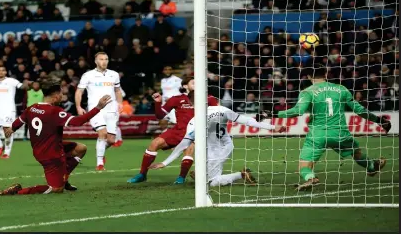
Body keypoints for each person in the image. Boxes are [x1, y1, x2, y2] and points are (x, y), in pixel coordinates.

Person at [259, 66, 391, 191]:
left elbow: (298, 111)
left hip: (318, 135)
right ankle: (372, 166)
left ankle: (311, 178)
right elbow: (359, 110)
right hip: (340, 133)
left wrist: (275, 113)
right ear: (326, 74)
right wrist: (379, 120)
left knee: (303, 167)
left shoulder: (307, 91)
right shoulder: (341, 89)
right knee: (356, 153)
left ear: (309, 76)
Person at [0, 86, 112, 195]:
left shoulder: (32, 108)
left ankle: (64, 177)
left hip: (43, 149)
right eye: (61, 93)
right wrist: (98, 107)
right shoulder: (54, 111)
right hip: (52, 155)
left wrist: (11, 129)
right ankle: (19, 191)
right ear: (55, 96)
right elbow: (78, 121)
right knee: (56, 189)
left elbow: (19, 121)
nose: (62, 96)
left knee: (80, 149)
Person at [150, 101, 287, 185]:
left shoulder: (194, 121)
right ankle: (203, 173)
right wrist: (273, 127)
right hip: (222, 146)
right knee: (209, 179)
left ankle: (240, 175)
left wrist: (165, 163)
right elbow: (248, 121)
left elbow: (183, 145)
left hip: (217, 150)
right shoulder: (223, 110)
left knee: (211, 182)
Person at [127, 77, 197, 183]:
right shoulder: (176, 99)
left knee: (189, 150)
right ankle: (142, 174)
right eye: (193, 83)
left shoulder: (206, 99)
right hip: (177, 131)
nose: (197, 84)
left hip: (194, 132)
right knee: (154, 143)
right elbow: (160, 116)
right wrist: (158, 103)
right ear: (185, 86)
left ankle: (181, 178)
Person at [75, 52, 123, 171]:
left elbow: (117, 90)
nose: (104, 61)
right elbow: (79, 91)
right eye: (101, 59)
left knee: (111, 140)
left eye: (106, 59)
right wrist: (78, 106)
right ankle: (100, 163)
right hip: (96, 109)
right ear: (96, 61)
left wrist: (120, 103)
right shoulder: (88, 75)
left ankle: (100, 151)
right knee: (102, 133)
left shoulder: (114, 75)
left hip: (111, 110)